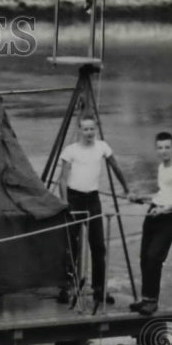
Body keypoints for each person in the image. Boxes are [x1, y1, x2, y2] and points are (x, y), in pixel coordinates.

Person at [57, 116, 130, 308]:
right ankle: (67, 287)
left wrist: (127, 190)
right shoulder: (70, 150)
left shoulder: (102, 147)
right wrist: (65, 202)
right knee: (70, 246)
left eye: (92, 129)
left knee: (98, 246)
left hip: (93, 200)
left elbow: (115, 167)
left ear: (95, 129)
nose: (89, 133)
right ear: (79, 130)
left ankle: (99, 290)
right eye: (85, 129)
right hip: (74, 199)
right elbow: (62, 180)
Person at [127, 132, 172, 315]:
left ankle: (153, 302)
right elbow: (162, 193)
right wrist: (140, 197)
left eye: (167, 147)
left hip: (168, 217)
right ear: (156, 149)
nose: (164, 151)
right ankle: (146, 299)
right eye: (160, 148)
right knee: (145, 258)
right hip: (153, 213)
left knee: (155, 257)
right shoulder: (161, 167)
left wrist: (164, 209)